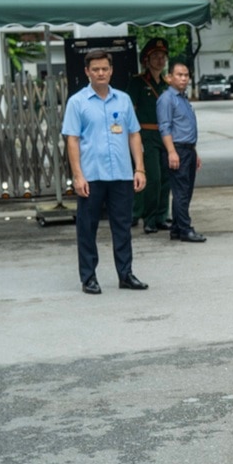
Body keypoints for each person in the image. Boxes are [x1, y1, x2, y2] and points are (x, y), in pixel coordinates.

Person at [63, 49, 148, 294]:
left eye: (105, 69)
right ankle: (89, 277)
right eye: (95, 69)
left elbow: (134, 134)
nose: (100, 73)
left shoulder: (123, 100)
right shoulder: (77, 102)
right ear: (87, 72)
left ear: (111, 71)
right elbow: (72, 140)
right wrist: (78, 175)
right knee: (87, 228)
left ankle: (126, 274)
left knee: (122, 226)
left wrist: (139, 168)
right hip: (92, 176)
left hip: (121, 174)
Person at [125, 38, 172, 234]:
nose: (160, 60)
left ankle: (162, 215)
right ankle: (150, 218)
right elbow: (129, 111)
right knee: (152, 177)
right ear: (146, 60)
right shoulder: (137, 82)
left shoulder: (167, 85)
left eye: (163, 57)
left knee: (166, 177)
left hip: (165, 135)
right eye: (155, 57)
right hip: (146, 135)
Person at [156, 60, 204, 243]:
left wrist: (194, 152)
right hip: (177, 150)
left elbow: (185, 127)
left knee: (186, 191)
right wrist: (171, 152)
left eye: (186, 75)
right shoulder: (166, 99)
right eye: (179, 75)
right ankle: (185, 228)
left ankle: (177, 227)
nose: (183, 78)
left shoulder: (182, 98)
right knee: (181, 192)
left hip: (188, 150)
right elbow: (164, 127)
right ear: (169, 77)